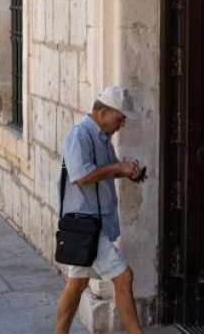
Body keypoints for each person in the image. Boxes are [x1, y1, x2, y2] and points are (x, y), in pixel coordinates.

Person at [55, 86, 146, 334]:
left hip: (94, 225)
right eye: (120, 117)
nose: (123, 123)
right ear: (104, 112)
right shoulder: (80, 134)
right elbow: (81, 176)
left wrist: (127, 171)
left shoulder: (103, 138)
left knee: (76, 284)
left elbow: (104, 173)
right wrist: (118, 167)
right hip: (87, 225)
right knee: (124, 277)